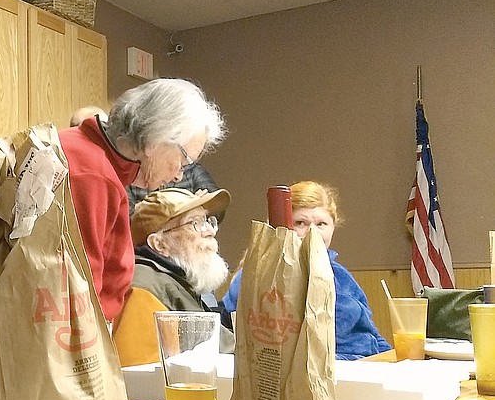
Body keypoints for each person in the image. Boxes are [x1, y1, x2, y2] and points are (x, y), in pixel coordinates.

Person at [60, 78, 226, 322]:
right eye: (183, 161)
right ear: (156, 140)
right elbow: (79, 299)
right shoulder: (92, 174)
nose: (179, 173)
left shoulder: (94, 158)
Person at [220, 180, 390, 360]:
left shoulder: (342, 277)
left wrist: (399, 364)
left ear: (333, 227)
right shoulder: (258, 275)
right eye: (301, 223)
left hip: (366, 367)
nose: (312, 232)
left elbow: (371, 334)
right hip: (319, 372)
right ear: (283, 226)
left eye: (321, 224)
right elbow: (230, 333)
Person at [112, 188, 236, 366]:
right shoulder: (145, 287)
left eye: (208, 221)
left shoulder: (176, 281)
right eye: (195, 223)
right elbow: (137, 376)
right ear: (159, 244)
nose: (210, 230)